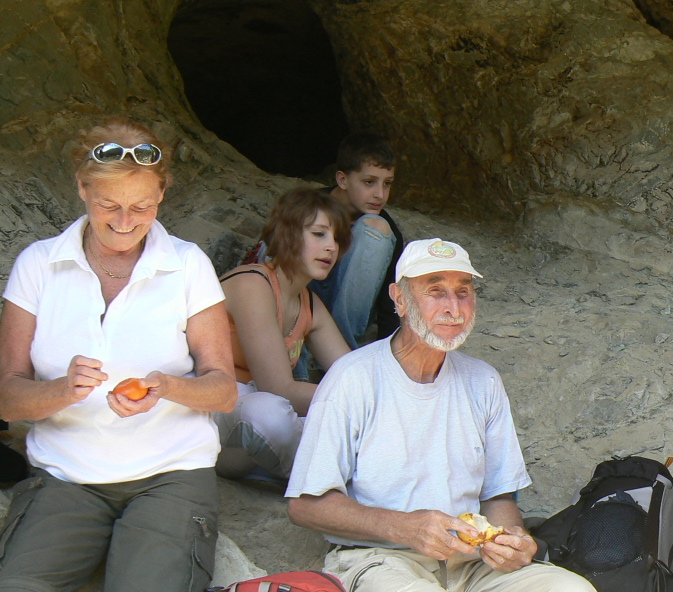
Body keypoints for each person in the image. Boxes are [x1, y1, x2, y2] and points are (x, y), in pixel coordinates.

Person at [0, 117, 237, 592]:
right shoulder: (38, 265)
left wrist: (167, 388)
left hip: (170, 475)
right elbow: (7, 398)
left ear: (161, 196)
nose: (126, 221)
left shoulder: (188, 264)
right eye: (109, 204)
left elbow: (224, 390)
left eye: (142, 206)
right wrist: (61, 391)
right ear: (82, 188)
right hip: (66, 476)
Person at [286, 239, 596, 592]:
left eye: (463, 292)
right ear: (399, 299)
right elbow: (305, 506)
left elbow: (498, 497)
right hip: (382, 558)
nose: (454, 308)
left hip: (472, 562)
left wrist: (513, 542)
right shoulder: (352, 378)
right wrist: (403, 527)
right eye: (435, 291)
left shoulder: (483, 381)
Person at [214, 187, 351, 481]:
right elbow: (278, 388)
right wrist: (355, 407)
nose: (331, 247)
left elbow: (353, 375)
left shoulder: (310, 303)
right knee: (273, 414)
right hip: (209, 411)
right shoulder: (253, 283)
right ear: (288, 233)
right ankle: (328, 482)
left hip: (250, 434)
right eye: (319, 234)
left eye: (337, 239)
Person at [244, 132, 402, 351]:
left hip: (344, 318)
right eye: (369, 182)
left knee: (376, 229)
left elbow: (389, 298)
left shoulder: (384, 228)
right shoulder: (311, 205)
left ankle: (340, 348)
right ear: (342, 180)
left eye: (387, 184)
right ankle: (288, 343)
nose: (380, 194)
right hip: (297, 301)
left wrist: (391, 349)